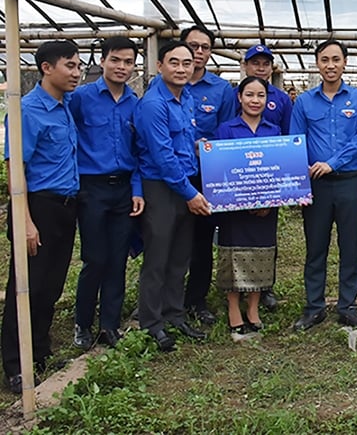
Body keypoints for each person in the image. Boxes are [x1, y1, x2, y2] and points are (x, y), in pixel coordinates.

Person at [2, 40, 81, 394]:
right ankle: (15, 365)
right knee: (25, 287)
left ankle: (40, 353)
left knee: (50, 286)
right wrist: (26, 221)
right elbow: (15, 167)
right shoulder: (28, 111)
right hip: (38, 206)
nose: (76, 73)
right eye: (70, 66)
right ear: (47, 68)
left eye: (79, 66)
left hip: (65, 206)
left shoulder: (64, 106)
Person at [290, 39, 357, 330]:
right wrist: (302, 179)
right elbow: (296, 142)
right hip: (317, 186)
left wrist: (332, 163)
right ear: (317, 64)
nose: (330, 65)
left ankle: (347, 306)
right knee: (316, 247)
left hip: (350, 182)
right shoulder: (303, 102)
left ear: (345, 62)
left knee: (350, 246)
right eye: (325, 60)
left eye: (336, 59)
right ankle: (315, 307)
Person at [135, 41, 211, 351]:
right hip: (163, 188)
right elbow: (163, 157)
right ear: (160, 66)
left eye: (187, 63)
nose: (181, 69)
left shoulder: (186, 98)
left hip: (184, 184)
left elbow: (184, 143)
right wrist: (191, 193)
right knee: (158, 258)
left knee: (180, 256)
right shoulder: (154, 104)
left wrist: (203, 149)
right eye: (174, 63)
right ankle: (152, 323)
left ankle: (174, 314)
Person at [69, 37, 144, 351]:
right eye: (116, 60)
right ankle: (82, 324)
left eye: (128, 62)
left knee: (118, 259)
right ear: (102, 61)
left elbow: (140, 150)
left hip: (124, 188)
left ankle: (109, 326)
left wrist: (137, 190)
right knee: (94, 259)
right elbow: (67, 142)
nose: (122, 67)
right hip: (92, 189)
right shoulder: (81, 98)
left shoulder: (135, 103)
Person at [213, 77, 282, 342]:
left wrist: (269, 202)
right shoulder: (226, 129)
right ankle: (233, 308)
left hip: (266, 208)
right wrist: (236, 199)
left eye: (261, 95)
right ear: (239, 98)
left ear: (267, 100)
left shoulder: (273, 131)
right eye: (250, 95)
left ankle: (253, 309)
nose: (255, 101)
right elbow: (220, 170)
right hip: (233, 208)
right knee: (232, 254)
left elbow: (278, 169)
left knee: (261, 254)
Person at [180, 26, 236, 326]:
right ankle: (168, 298)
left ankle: (196, 299)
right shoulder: (163, 86)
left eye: (204, 47)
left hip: (205, 176)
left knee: (202, 240)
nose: (198, 52)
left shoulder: (221, 89)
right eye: (193, 46)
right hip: (172, 175)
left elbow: (225, 133)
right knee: (167, 239)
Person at [240, 44, 292, 311]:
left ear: (271, 68)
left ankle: (265, 287)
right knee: (238, 235)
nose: (260, 68)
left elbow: (288, 140)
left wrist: (279, 186)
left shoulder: (282, 99)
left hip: (268, 179)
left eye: (265, 64)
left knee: (266, 235)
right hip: (239, 178)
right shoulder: (235, 94)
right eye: (255, 63)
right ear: (246, 66)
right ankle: (238, 286)